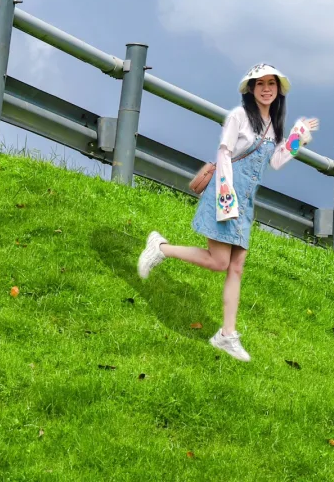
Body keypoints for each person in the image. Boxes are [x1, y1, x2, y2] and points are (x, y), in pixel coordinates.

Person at [136, 62, 318, 362]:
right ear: (251, 88)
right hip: (226, 194)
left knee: (236, 268)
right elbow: (224, 155)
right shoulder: (238, 117)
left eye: (271, 83)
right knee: (220, 262)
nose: (266, 89)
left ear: (278, 89)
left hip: (245, 203)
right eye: (260, 84)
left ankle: (226, 335)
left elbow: (275, 161)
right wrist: (226, 196)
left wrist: (299, 135)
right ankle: (161, 248)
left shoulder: (273, 125)